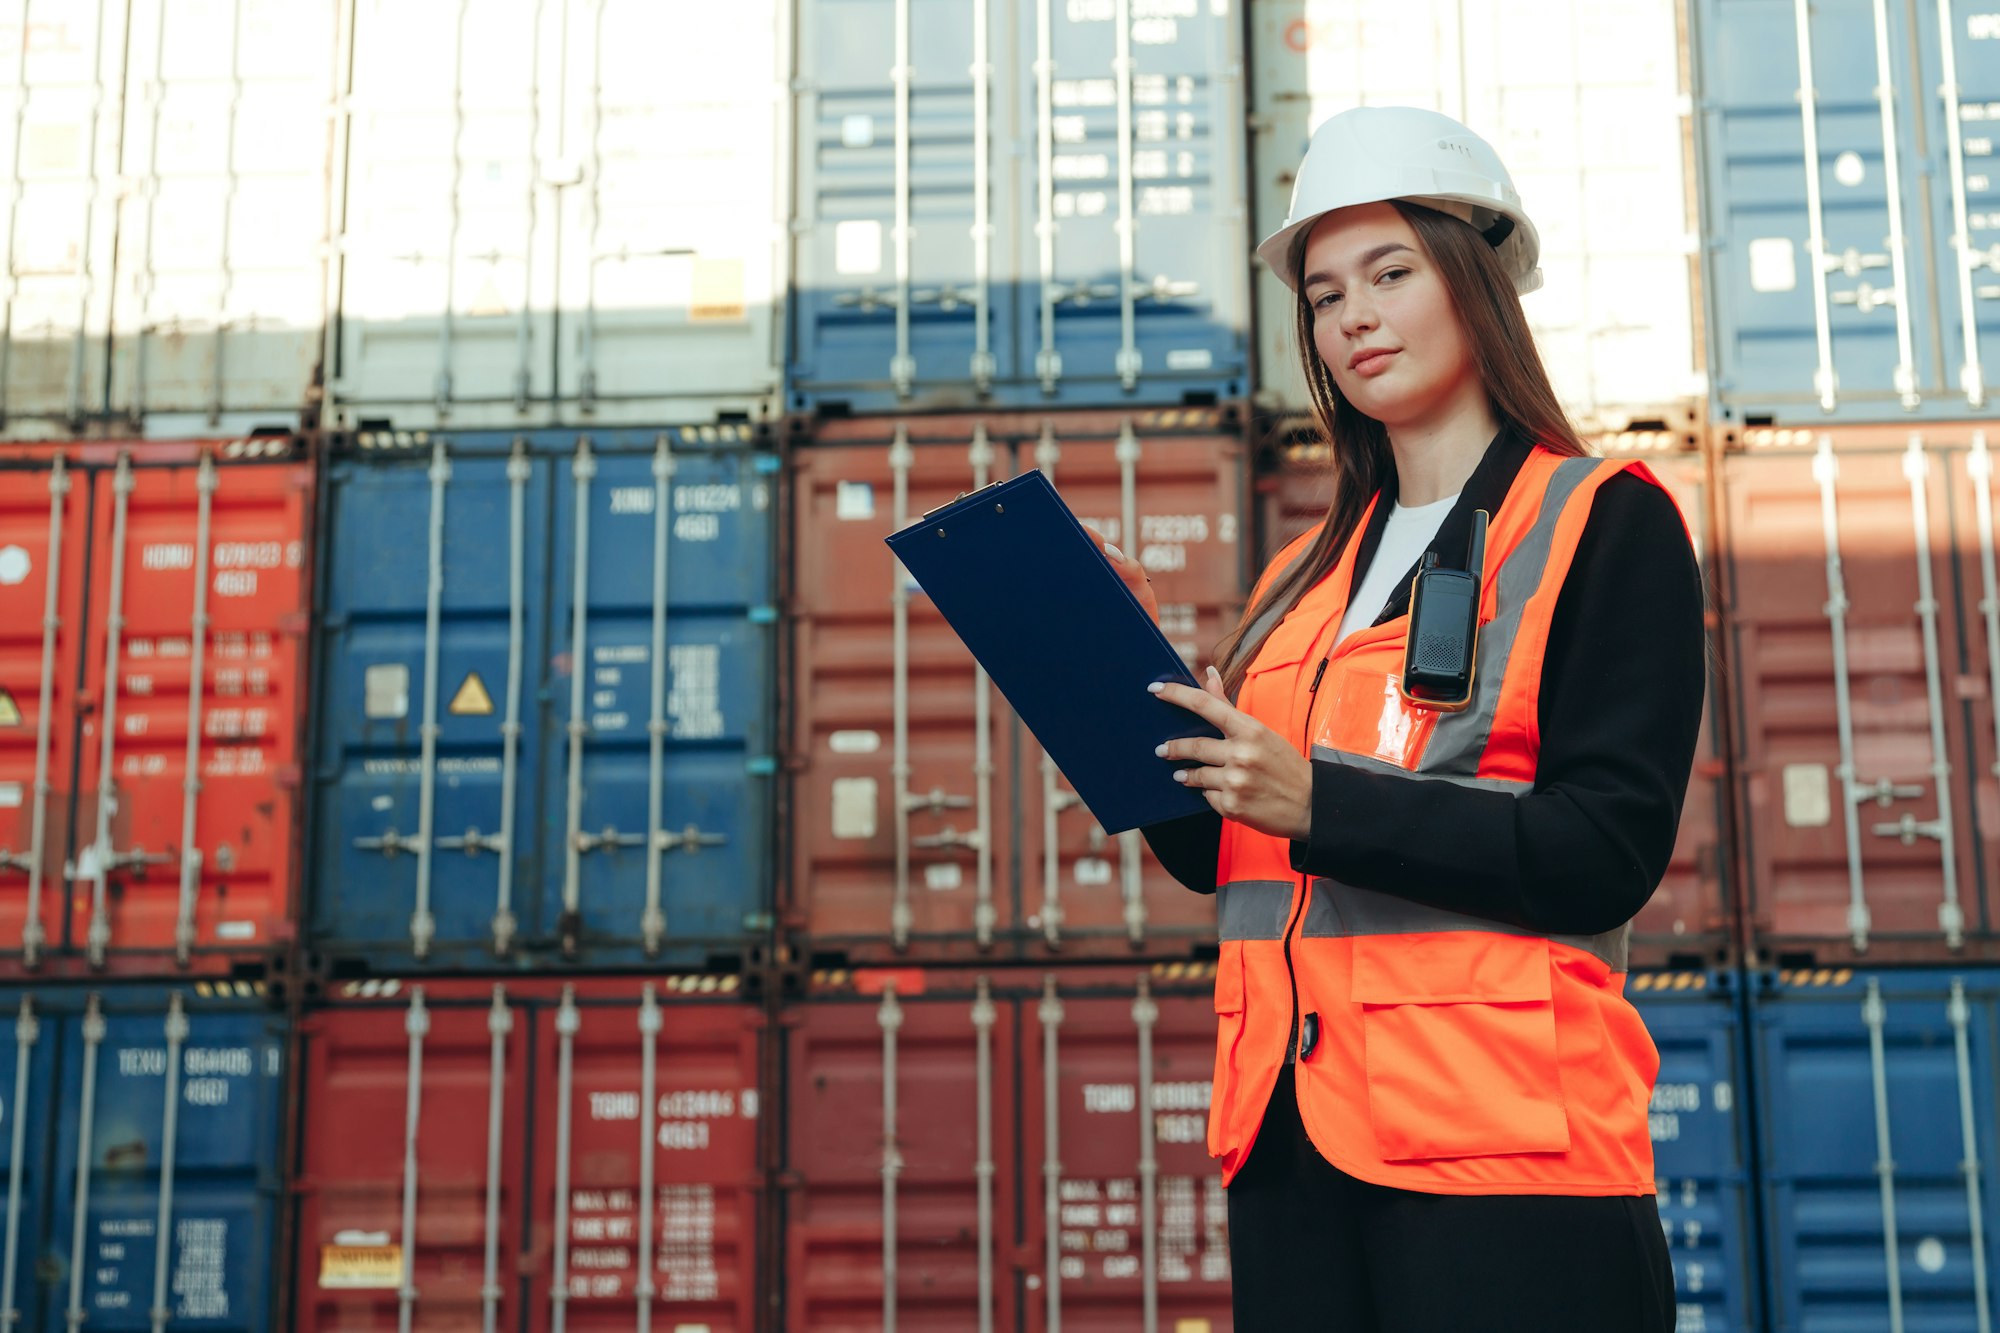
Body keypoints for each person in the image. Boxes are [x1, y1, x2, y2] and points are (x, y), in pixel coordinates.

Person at [1092, 107, 1702, 1331]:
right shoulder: (1297, 583)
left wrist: (1321, 799)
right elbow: (1227, 854)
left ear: (1475, 280)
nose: (1351, 317)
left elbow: (1605, 856)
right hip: (1290, 1147)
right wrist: (1108, 688)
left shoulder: (1602, 523)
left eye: (1388, 273)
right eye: (1322, 296)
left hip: (1504, 1160)